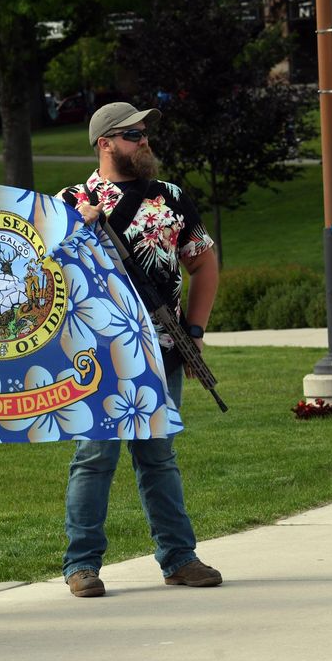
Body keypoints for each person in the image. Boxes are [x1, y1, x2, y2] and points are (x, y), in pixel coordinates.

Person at [55, 101, 222, 598]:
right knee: (93, 457)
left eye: (145, 133)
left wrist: (193, 331)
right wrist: (75, 228)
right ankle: (81, 565)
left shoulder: (169, 197)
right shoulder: (68, 200)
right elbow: (42, 276)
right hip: (94, 355)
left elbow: (204, 264)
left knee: (159, 456)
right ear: (104, 143)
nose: (144, 140)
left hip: (163, 349)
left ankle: (179, 557)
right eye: (132, 134)